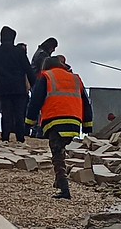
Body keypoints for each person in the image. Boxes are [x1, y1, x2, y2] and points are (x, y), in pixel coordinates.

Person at [31, 53, 93, 199]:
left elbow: (35, 101)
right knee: (61, 150)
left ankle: (64, 190)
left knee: (57, 155)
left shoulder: (46, 77)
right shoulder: (75, 78)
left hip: (55, 121)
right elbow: (86, 102)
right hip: (74, 123)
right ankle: (59, 182)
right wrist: (87, 126)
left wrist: (28, 121)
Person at [0, 27, 33, 143]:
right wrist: (33, 84)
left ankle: (5, 137)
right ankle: (20, 138)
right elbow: (28, 69)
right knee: (19, 114)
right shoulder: (19, 52)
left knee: (6, 113)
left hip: (3, 87)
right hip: (19, 87)